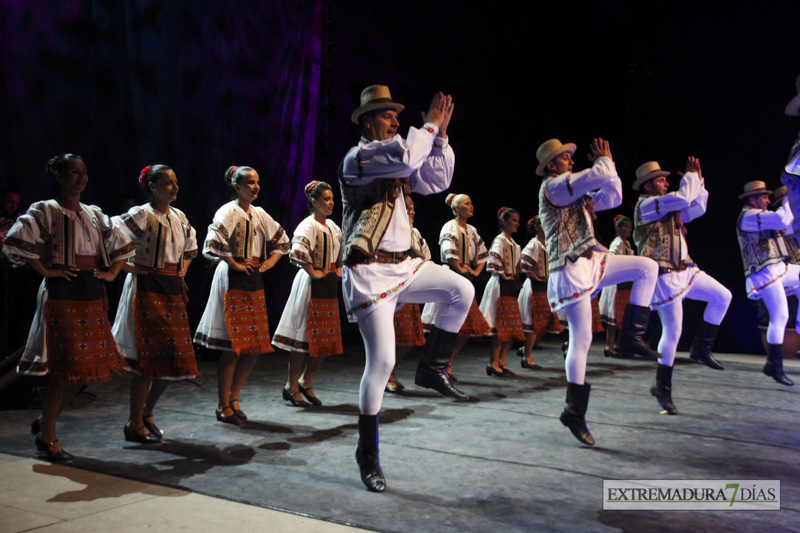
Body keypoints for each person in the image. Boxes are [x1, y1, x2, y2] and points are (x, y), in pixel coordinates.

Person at [340, 85, 474, 492]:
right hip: (369, 270)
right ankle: (368, 453)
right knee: (381, 363)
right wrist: (429, 125)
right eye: (387, 116)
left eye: (397, 116)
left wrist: (441, 137)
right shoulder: (360, 157)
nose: (397, 122)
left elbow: (435, 179)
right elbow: (406, 156)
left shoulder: (398, 152)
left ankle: (431, 369)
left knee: (461, 291)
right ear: (368, 122)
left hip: (405, 266)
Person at [2, 154, 134, 460]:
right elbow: (17, 238)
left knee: (84, 371)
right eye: (74, 172)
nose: (81, 177)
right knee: (64, 370)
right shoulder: (46, 209)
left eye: (84, 172)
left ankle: (45, 421)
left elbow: (122, 244)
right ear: (59, 176)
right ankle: (47, 436)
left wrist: (113, 273)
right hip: (63, 289)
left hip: (90, 289)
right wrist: (45, 270)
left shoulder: (92, 213)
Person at [536, 138, 660, 446]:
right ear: (552, 165)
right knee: (583, 339)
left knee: (646, 267)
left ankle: (632, 335)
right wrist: (605, 160)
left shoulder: (572, 192)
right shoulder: (553, 188)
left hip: (594, 260)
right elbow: (597, 176)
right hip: (571, 267)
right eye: (566, 158)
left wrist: (609, 163)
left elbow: (613, 195)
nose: (571, 161)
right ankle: (574, 410)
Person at [633, 159, 732, 414]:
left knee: (723, 296)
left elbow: (696, 206)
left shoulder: (669, 207)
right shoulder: (647, 205)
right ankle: (662, 386)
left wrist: (698, 180)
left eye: (667, 179)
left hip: (686, 270)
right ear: (647, 185)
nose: (666, 182)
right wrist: (689, 178)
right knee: (673, 332)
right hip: (664, 276)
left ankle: (701, 347)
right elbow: (683, 195)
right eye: (661, 179)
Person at [194, 166, 289, 424]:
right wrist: (233, 263)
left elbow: (282, 241)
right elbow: (213, 240)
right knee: (234, 346)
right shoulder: (228, 211)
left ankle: (234, 397)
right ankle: (223, 402)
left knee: (255, 345)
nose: (255, 187)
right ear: (236, 186)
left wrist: (270, 261)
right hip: (233, 278)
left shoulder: (258, 214)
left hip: (253, 278)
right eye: (249, 182)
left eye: (257, 182)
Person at [111, 165, 200, 443]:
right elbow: (110, 235)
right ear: (151, 186)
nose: (173, 188)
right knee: (147, 361)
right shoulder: (142, 214)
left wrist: (181, 270)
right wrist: (128, 267)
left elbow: (190, 249)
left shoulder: (179, 216)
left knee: (174, 358)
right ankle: (134, 421)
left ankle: (147, 413)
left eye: (175, 183)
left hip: (171, 288)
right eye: (167, 183)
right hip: (147, 288)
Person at [272, 180, 343, 407]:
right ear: (314, 202)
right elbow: (298, 251)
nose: (331, 203)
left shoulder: (333, 227)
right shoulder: (308, 225)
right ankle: (291, 384)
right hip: (311, 284)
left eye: (332, 199)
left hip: (328, 283)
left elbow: (340, 252)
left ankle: (307, 380)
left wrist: (338, 269)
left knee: (324, 338)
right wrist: (313, 272)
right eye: (326, 199)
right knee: (303, 338)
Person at [420, 193, 490, 380]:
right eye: (467, 203)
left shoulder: (472, 230)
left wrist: (474, 272)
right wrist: (461, 269)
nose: (471, 205)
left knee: (469, 328)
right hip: (450, 277)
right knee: (444, 325)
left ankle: (447, 363)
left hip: (465, 279)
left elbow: (483, 254)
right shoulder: (449, 226)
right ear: (457, 208)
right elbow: (448, 253)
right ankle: (436, 364)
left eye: (471, 202)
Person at [736, 181, 797, 386]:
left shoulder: (763, 217)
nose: (769, 200)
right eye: (765, 197)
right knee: (779, 315)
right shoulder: (749, 217)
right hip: (763, 272)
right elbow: (781, 218)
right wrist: (790, 195)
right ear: (753, 199)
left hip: (778, 268)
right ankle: (774, 365)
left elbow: (787, 223)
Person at [387, 196, 429, 393]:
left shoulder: (415, 232)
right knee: (393, 336)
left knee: (408, 337)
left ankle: (391, 371)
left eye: (412, 209)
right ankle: (387, 374)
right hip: (394, 287)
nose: (411, 212)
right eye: (407, 208)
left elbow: (425, 256)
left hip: (410, 287)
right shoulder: (391, 229)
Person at [479, 207, 525, 376]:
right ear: (504, 221)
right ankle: (493, 363)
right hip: (500, 285)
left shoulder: (514, 244)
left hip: (510, 286)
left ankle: (502, 362)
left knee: (511, 326)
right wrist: (504, 274)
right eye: (513, 220)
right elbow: (492, 260)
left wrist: (516, 277)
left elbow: (518, 265)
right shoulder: (500, 241)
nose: (516, 224)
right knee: (500, 326)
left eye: (518, 221)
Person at [518, 216, 562, 368]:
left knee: (547, 322)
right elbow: (524, 264)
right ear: (537, 227)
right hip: (534, 287)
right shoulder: (534, 244)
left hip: (545, 287)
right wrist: (537, 277)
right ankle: (527, 356)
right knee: (533, 324)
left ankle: (525, 350)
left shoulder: (548, 244)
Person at [598, 215, 635, 357]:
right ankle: (609, 345)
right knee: (614, 317)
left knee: (623, 316)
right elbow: (610, 257)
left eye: (631, 227)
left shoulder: (627, 244)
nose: (629, 230)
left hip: (625, 284)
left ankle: (618, 345)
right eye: (626, 227)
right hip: (617, 284)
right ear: (619, 228)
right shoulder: (617, 243)